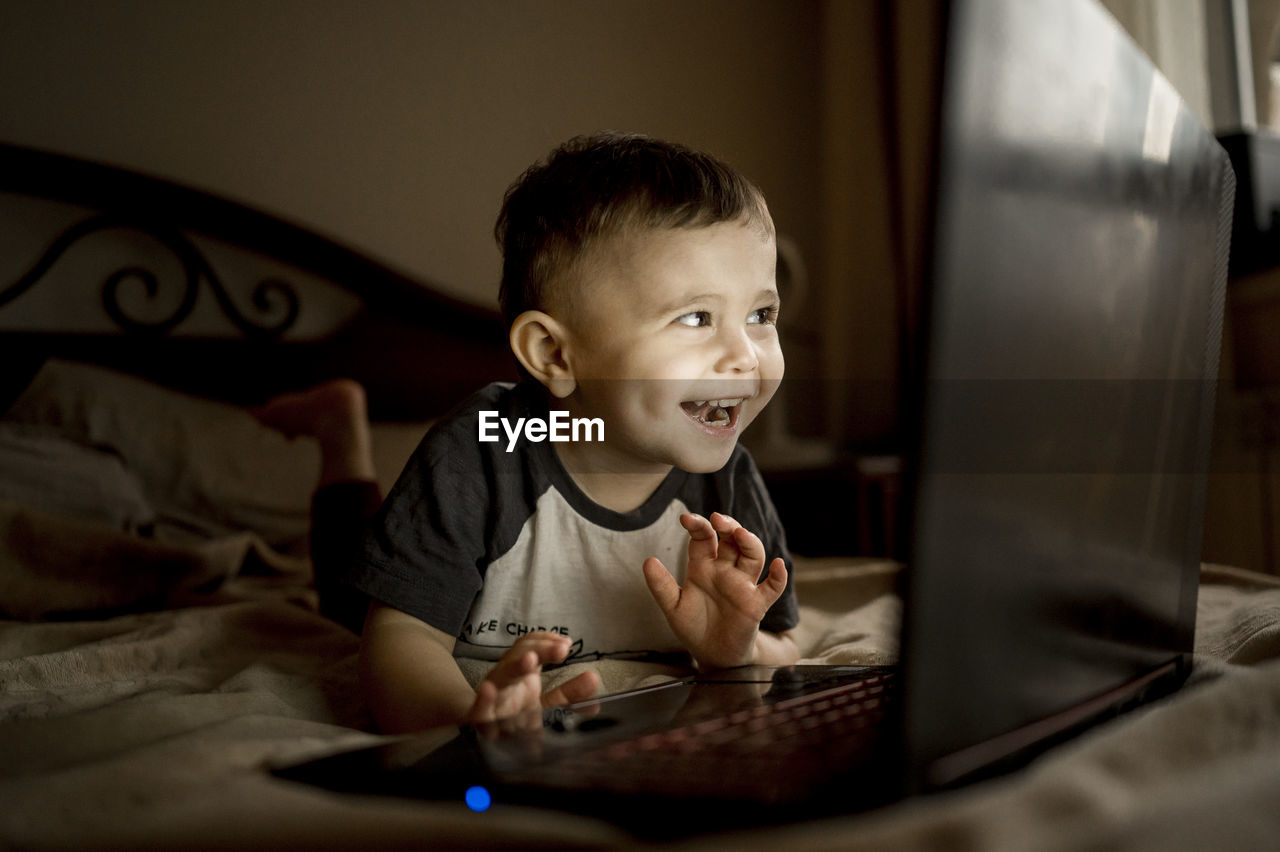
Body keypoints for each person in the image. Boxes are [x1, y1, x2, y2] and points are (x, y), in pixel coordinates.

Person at [346, 133, 801, 733]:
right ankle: (341, 433)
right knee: (341, 575)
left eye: (760, 316)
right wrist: (467, 725)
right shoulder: (481, 454)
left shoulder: (729, 482)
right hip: (379, 556)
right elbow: (398, 639)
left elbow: (787, 644)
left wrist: (736, 653)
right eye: (695, 317)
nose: (745, 356)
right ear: (556, 355)